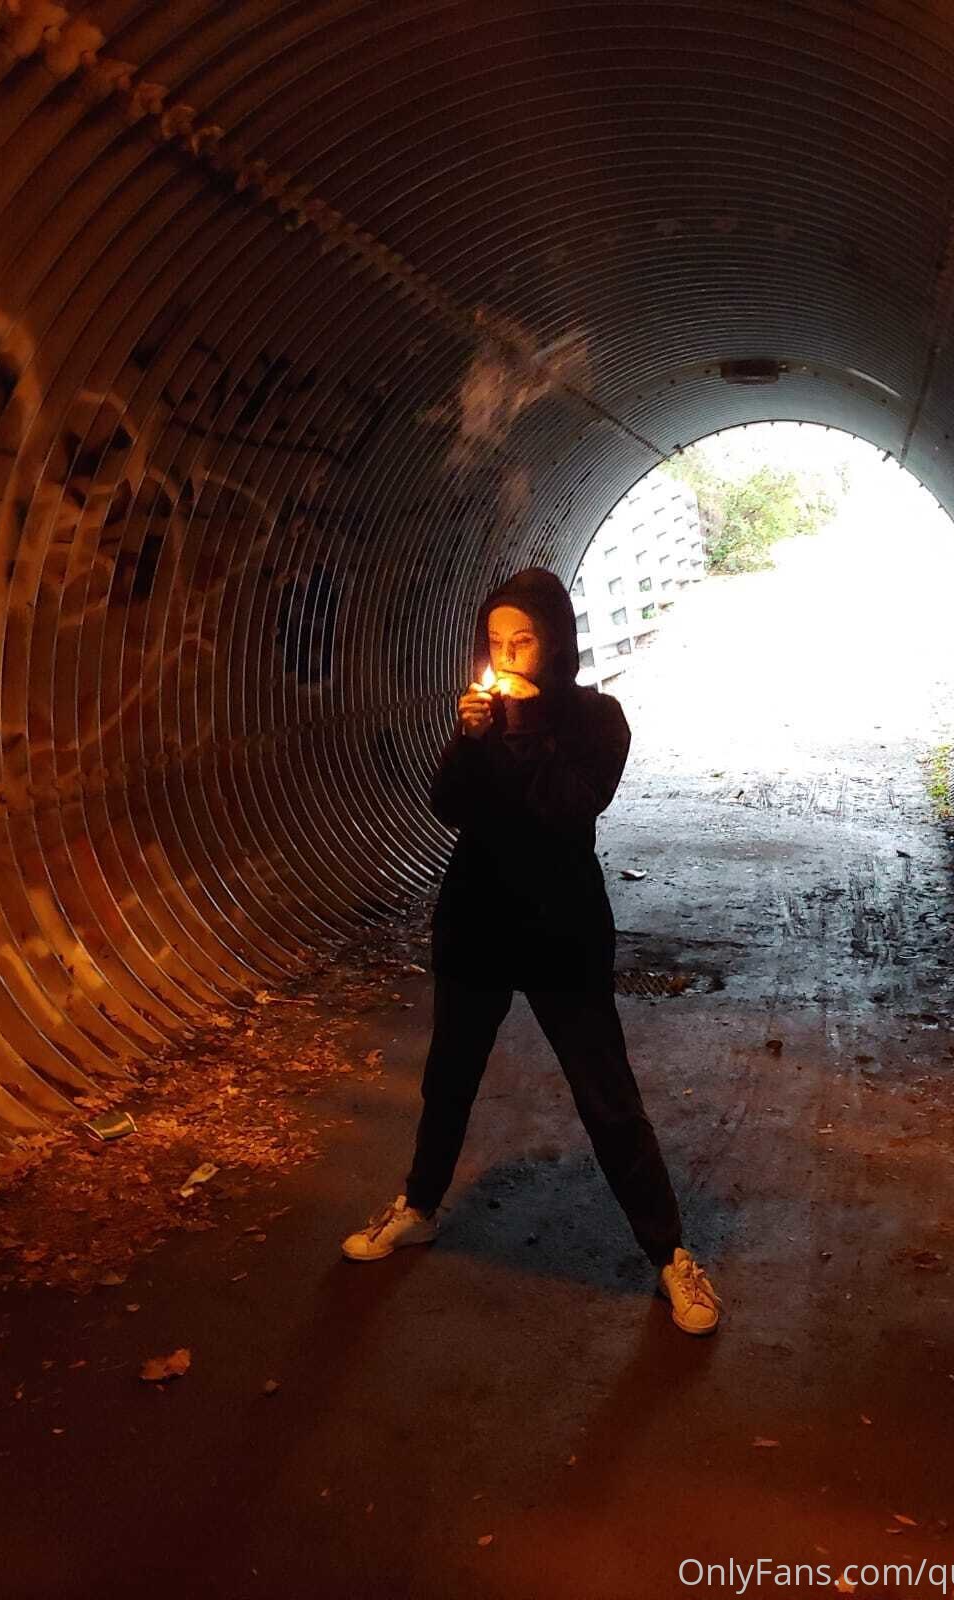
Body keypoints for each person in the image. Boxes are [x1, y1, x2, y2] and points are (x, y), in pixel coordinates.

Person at [341, 567, 721, 1334]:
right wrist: (468, 739)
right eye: (496, 641)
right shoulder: (484, 719)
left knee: (606, 1095)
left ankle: (671, 1254)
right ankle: (419, 1205)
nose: (508, 654)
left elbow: (567, 807)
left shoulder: (598, 720)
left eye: (524, 640)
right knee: (449, 1078)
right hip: (476, 920)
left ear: (556, 642)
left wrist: (518, 727)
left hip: (561, 928)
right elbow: (448, 806)